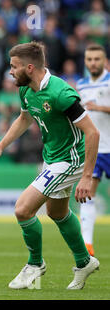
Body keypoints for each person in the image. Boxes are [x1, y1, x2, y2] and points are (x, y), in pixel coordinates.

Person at [0, 41, 100, 290]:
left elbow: (93, 133)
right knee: (56, 213)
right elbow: (25, 118)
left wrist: (87, 177)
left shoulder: (61, 93)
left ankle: (35, 264)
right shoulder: (26, 89)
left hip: (71, 160)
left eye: (14, 67)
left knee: (22, 210)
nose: (10, 72)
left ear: (29, 67)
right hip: (53, 158)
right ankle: (84, 262)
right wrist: (1, 145)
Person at [76, 43, 110, 257]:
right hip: (95, 149)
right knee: (87, 195)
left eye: (96, 59)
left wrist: (99, 108)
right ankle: (87, 245)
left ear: (104, 60)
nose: (93, 63)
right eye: (89, 59)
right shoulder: (80, 85)